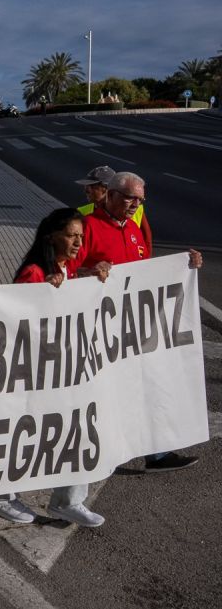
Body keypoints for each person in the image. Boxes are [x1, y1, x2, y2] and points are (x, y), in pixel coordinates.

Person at [0, 208, 110, 528]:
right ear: (51, 236)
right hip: (32, 373)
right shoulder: (35, 273)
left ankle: (69, 500)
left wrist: (98, 272)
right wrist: (42, 297)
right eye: (71, 235)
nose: (78, 242)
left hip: (64, 370)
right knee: (23, 433)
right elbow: (16, 323)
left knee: (79, 428)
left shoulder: (67, 267)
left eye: (81, 236)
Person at [69, 171, 204, 472]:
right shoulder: (86, 227)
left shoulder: (134, 228)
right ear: (110, 194)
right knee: (104, 393)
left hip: (133, 328)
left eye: (140, 199)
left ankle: (157, 453)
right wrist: (87, 274)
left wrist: (185, 263)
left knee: (146, 387)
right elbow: (64, 271)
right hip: (98, 328)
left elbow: (148, 272)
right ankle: (93, 451)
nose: (135, 204)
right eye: (130, 198)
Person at [74, 165, 151, 251]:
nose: (86, 190)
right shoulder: (82, 213)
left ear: (107, 189)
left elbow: (146, 241)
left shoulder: (136, 210)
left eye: (91, 186)